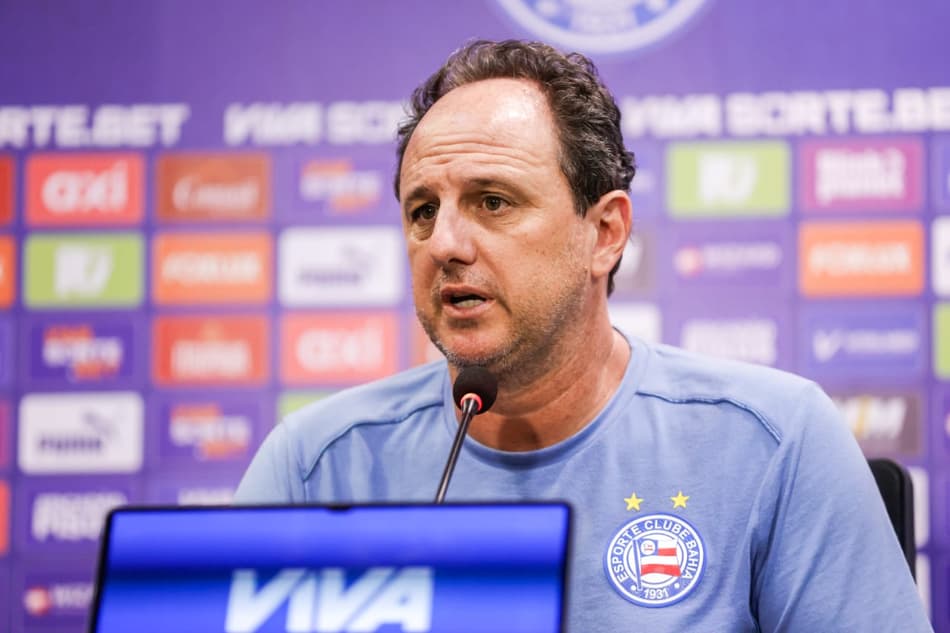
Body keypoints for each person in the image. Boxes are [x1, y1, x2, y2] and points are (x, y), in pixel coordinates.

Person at [235, 40, 932, 631]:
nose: (444, 241)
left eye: (492, 201)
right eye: (422, 210)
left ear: (605, 233)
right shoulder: (315, 466)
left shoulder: (775, 440)